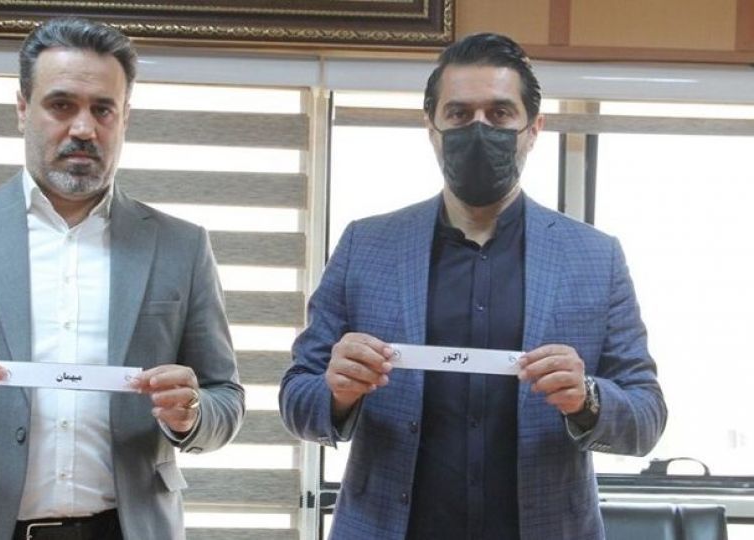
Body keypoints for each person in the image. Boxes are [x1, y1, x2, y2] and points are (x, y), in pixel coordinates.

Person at [0, 17, 244, 540]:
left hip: (127, 529)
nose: (83, 128)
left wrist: (192, 414)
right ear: (22, 109)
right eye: (61, 105)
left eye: (102, 109)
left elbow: (225, 399)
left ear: (125, 117)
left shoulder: (182, 246)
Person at [279, 33, 666, 539]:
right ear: (432, 128)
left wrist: (588, 398)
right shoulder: (366, 245)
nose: (479, 129)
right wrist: (336, 394)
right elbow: (297, 399)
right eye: (459, 114)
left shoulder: (595, 256)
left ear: (533, 129)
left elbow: (646, 417)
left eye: (500, 113)